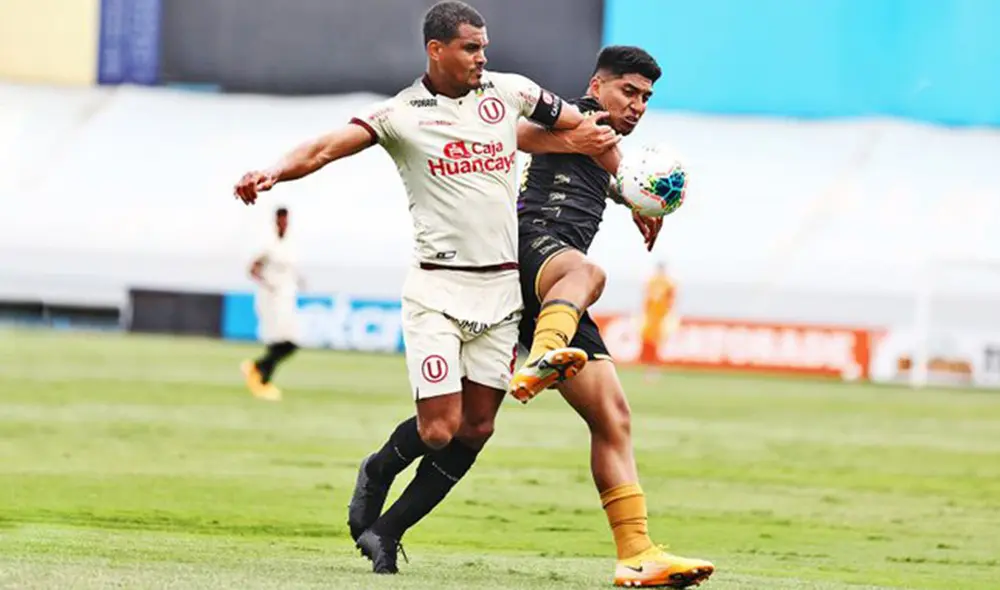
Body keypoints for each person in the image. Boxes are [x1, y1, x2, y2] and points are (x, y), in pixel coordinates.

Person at [233, 0, 617, 575]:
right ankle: (377, 470)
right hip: (437, 293)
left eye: (484, 46)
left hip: (501, 294)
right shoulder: (402, 115)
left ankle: (387, 533)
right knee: (440, 429)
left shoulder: (509, 93)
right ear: (435, 50)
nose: (482, 57)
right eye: (470, 47)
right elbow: (323, 148)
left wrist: (630, 191)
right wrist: (273, 173)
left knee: (478, 427)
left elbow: (585, 132)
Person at [352, 46, 716, 588]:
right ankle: (546, 355)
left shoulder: (607, 141)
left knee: (607, 417)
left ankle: (636, 553)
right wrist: (598, 161)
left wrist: (634, 200)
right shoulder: (577, 115)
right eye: (628, 92)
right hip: (531, 248)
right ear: (597, 85)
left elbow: (614, 170)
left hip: (556, 290)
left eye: (646, 98)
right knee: (590, 275)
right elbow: (506, 134)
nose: (638, 106)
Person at [240, 206, 302, 402]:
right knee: (281, 341)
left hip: (287, 297)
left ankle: (257, 370)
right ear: (276, 220)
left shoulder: (290, 244)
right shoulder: (268, 244)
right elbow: (253, 268)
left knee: (290, 342)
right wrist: (269, 284)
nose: (284, 223)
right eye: (281, 219)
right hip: (271, 298)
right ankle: (261, 378)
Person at [640, 261, 678, 369]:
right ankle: (650, 366)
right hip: (652, 316)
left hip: (662, 316)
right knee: (651, 342)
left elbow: (671, 299)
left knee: (659, 342)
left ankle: (655, 367)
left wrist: (669, 312)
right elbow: (647, 298)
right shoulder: (652, 281)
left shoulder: (669, 283)